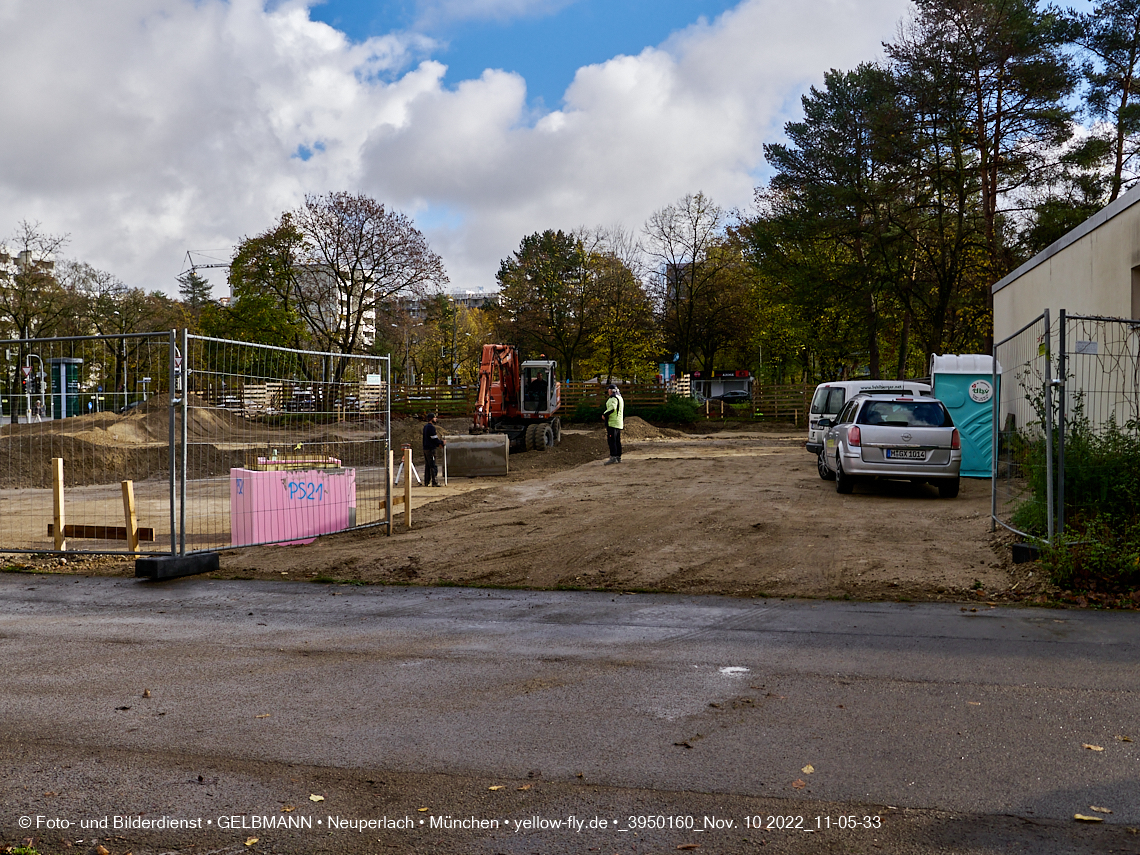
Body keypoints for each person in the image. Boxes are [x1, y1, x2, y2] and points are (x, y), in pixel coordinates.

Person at [422, 413, 446, 487]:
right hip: (430, 449)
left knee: (427, 466)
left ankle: (427, 481)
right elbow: (434, 438)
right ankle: (434, 482)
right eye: (435, 417)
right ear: (431, 418)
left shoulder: (425, 427)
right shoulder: (431, 427)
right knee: (433, 465)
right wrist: (441, 442)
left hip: (425, 448)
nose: (436, 419)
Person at [603, 383, 623, 465]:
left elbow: (613, 408)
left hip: (612, 422)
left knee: (612, 440)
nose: (608, 391)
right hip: (618, 422)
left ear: (611, 390)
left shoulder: (613, 398)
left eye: (609, 389)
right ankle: (618, 456)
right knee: (617, 440)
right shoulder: (620, 397)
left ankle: (613, 456)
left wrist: (605, 414)